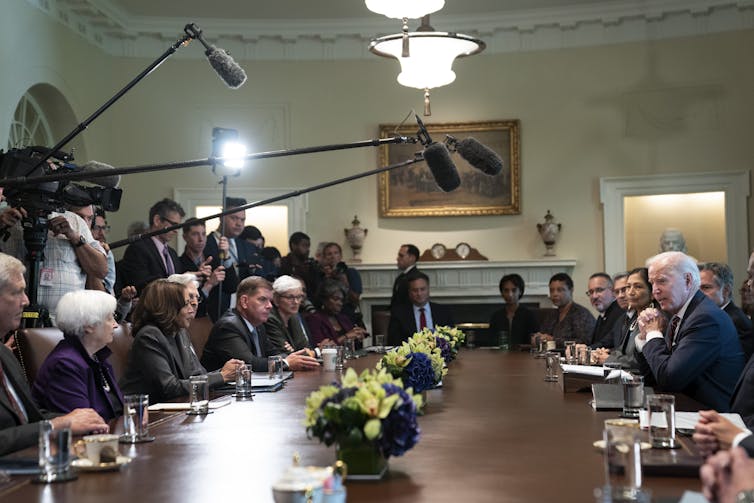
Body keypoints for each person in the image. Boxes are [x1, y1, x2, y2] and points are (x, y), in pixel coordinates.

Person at [0, 253, 108, 456]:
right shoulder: (64, 360)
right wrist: (54, 425)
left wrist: (80, 419)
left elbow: (29, 417)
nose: (26, 301)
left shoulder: (5, 355)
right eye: (17, 292)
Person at [635, 251, 744, 411]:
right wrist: (644, 337)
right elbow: (654, 376)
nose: (654, 291)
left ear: (687, 280)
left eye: (662, 281)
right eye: (652, 283)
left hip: (709, 418)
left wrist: (653, 334)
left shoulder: (705, 318)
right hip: (684, 409)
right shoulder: (680, 315)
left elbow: (669, 379)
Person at [119, 279, 242, 403]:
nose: (191, 309)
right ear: (167, 307)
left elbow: (196, 375)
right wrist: (222, 376)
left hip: (176, 407)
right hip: (143, 413)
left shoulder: (179, 331)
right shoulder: (149, 335)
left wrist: (224, 372)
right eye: (185, 304)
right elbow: (169, 387)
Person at [3, 203, 107, 322]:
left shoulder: (74, 221)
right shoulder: (8, 219)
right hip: (14, 320)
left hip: (64, 324)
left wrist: (73, 236)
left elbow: (101, 270)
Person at [32, 290, 123, 421]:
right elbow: (85, 425)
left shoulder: (98, 358)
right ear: (89, 325)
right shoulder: (65, 365)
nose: (116, 324)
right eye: (110, 318)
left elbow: (117, 410)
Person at [202, 276, 319, 372]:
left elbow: (274, 354)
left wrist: (292, 358)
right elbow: (249, 363)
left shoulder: (258, 326)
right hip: (218, 395)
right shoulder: (228, 326)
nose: (269, 306)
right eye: (263, 300)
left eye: (270, 300)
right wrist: (287, 362)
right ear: (244, 301)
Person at [593, 267, 657, 370]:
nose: (630, 292)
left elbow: (641, 362)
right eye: (628, 287)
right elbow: (621, 350)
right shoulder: (633, 319)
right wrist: (604, 354)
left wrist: (609, 359)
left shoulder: (654, 320)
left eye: (638, 287)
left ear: (652, 293)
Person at [118, 198, 186, 295]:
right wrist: (181, 279)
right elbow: (142, 285)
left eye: (178, 226)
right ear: (157, 220)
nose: (176, 231)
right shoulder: (137, 249)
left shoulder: (172, 254)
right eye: (174, 225)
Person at [699, 262, 754, 360]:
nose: (699, 294)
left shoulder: (736, 321)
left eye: (706, 288)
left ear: (725, 290)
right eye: (697, 289)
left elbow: (739, 365)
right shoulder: (711, 317)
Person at [179, 218, 229, 319]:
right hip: (194, 321)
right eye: (195, 234)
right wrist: (209, 284)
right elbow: (185, 303)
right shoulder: (179, 264)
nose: (201, 239)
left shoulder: (213, 259)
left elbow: (231, 287)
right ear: (185, 237)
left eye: (203, 234)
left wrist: (227, 256)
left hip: (218, 319)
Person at [387, 272, 455, 346]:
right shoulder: (399, 314)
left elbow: (452, 339)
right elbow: (393, 342)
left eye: (422, 289)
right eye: (415, 290)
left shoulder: (443, 311)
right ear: (409, 292)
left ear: (428, 290)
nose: (419, 293)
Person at [534, 272, 596, 346]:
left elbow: (584, 342)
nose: (555, 294)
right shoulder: (552, 314)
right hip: (550, 356)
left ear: (571, 290)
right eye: (551, 290)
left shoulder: (582, 314)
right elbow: (543, 334)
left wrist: (553, 340)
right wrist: (538, 338)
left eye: (560, 290)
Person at [308, 279, 368, 347]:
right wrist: (346, 337)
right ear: (324, 299)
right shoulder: (314, 319)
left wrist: (358, 335)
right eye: (336, 299)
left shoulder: (343, 318)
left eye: (341, 300)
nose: (340, 303)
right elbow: (321, 347)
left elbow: (353, 344)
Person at [487, 273, 538, 348]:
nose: (510, 294)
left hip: (523, 356)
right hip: (500, 356)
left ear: (520, 291)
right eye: (506, 290)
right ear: (502, 293)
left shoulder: (529, 315)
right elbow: (491, 341)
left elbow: (534, 340)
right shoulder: (496, 316)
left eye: (514, 290)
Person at [319, 242, 363, 327]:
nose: (333, 256)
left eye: (336, 253)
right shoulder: (320, 275)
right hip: (326, 318)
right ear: (324, 257)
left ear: (340, 256)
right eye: (329, 254)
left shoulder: (350, 273)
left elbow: (355, 299)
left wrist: (344, 282)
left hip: (347, 314)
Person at [264, 275, 311, 354]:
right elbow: (286, 354)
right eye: (290, 297)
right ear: (276, 299)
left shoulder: (294, 316)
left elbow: (304, 347)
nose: (296, 302)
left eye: (299, 297)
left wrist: (298, 351)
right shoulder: (270, 319)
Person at [279, 231, 320, 303]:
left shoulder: (311, 265)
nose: (307, 250)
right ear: (293, 245)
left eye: (308, 246)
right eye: (304, 246)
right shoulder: (284, 263)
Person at [587, 272, 625, 347]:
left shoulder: (620, 313)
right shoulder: (602, 315)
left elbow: (609, 345)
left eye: (599, 290)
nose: (594, 296)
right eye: (591, 292)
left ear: (613, 291)